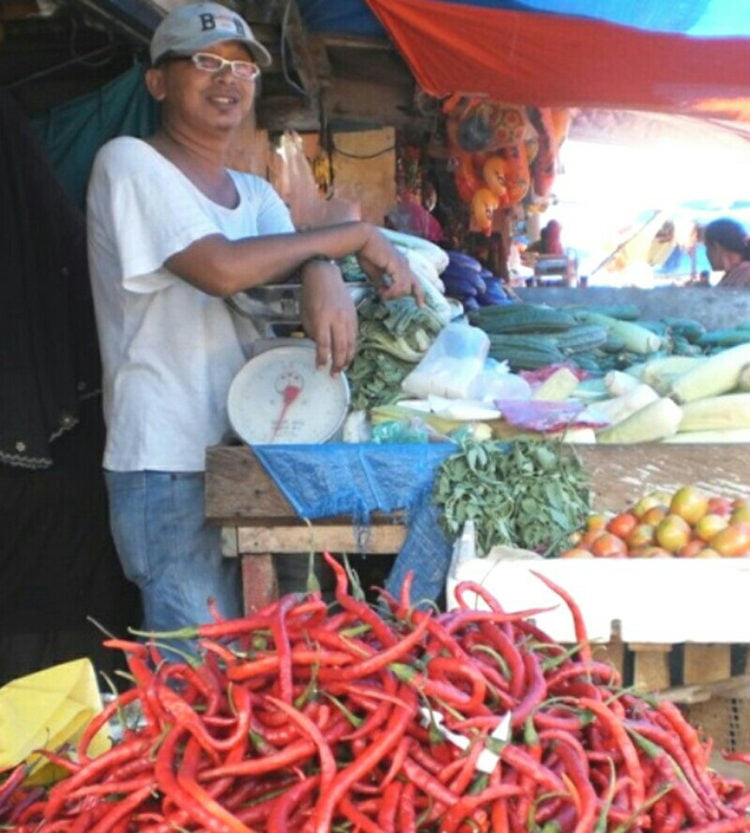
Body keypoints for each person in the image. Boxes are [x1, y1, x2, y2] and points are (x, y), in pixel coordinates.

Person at [86, 1, 423, 642]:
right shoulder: (129, 163)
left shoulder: (258, 194)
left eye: (242, 69)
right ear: (158, 81)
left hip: (262, 449)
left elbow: (292, 260)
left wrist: (322, 261)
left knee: (275, 660)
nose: (227, 79)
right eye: (205, 63)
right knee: (198, 672)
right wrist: (349, 236)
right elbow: (219, 268)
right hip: (168, 461)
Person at [704, 217, 750, 288]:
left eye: (707, 247)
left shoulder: (743, 275)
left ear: (716, 247)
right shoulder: (735, 274)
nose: (706, 254)